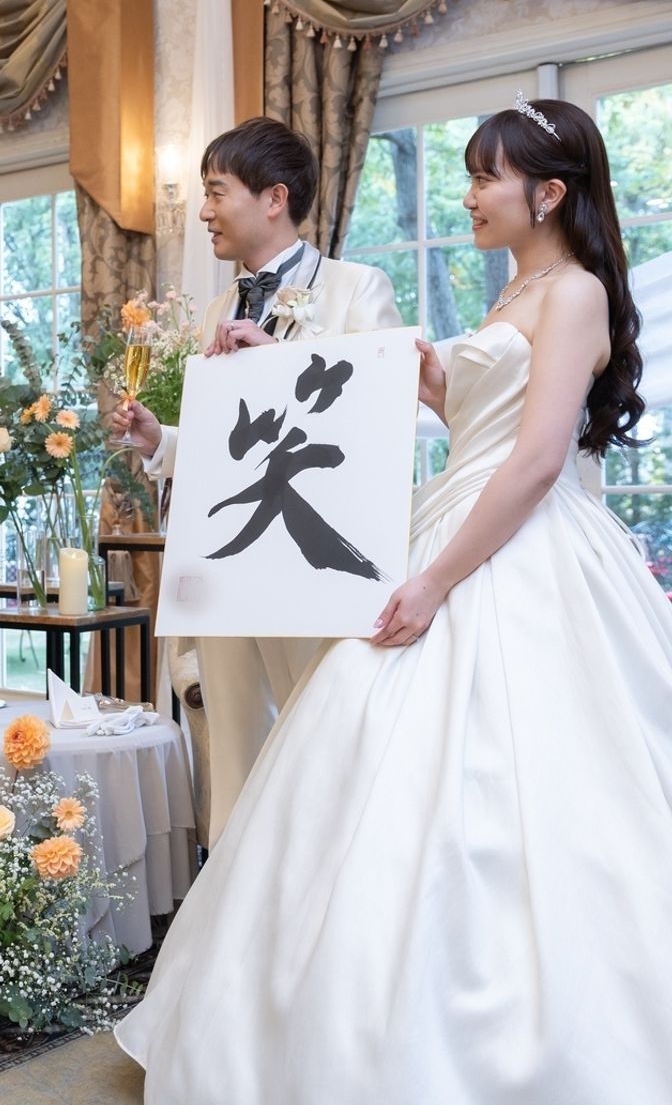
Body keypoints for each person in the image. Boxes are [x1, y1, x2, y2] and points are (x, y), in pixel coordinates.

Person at [114, 96, 672, 1102]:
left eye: (484, 177)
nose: (468, 196)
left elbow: (537, 457)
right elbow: (467, 418)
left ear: (547, 193)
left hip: (513, 543)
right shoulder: (512, 294)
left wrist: (434, 578)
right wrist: (391, 379)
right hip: (456, 507)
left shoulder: (576, 291)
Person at [113, 117, 401, 846]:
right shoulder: (218, 309)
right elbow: (228, 448)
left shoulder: (356, 289)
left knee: (320, 745)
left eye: (217, 192)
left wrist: (278, 357)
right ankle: (235, 893)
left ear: (274, 198)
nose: (204, 212)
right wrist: (160, 440)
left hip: (315, 565)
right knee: (234, 748)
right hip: (231, 560)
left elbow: (379, 420)